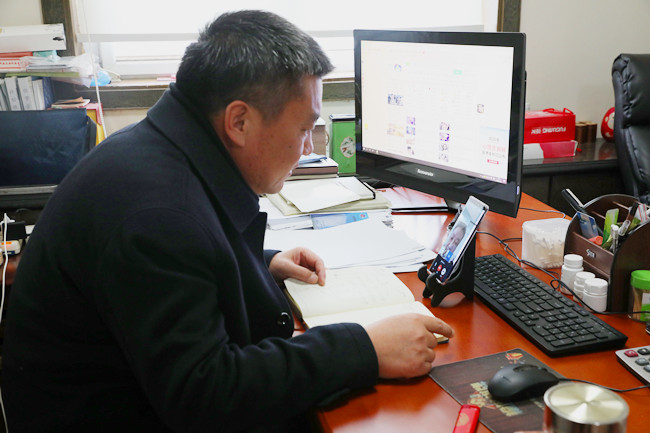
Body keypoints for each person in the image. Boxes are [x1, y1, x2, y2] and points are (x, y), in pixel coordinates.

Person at [2, 10, 453, 433]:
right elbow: (204, 394)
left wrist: (258, 263)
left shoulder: (156, 152)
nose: (308, 148)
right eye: (303, 129)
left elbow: (182, 263)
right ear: (239, 121)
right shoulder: (159, 215)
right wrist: (363, 349)